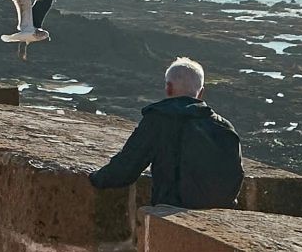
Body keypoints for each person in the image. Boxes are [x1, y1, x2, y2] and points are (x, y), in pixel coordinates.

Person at [87, 58, 245, 209]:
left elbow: (126, 168)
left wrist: (94, 178)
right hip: (220, 213)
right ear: (201, 93)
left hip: (172, 210)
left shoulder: (160, 118)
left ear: (168, 88)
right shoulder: (224, 126)